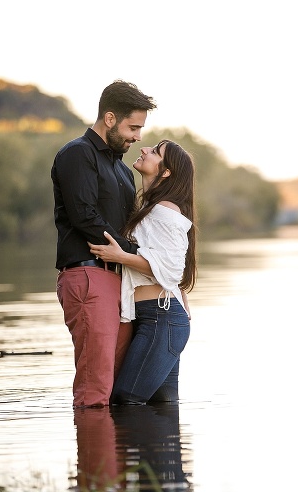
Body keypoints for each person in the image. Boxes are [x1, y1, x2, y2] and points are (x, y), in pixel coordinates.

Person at [52, 80, 156, 407]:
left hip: (121, 279)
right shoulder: (77, 154)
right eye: (133, 127)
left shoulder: (123, 171)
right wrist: (137, 254)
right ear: (110, 118)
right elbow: (84, 216)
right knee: (95, 387)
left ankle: (115, 441)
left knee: (117, 386)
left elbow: (135, 224)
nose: (137, 137)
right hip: (89, 276)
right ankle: (92, 441)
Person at [89, 139, 197, 405]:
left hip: (161, 318)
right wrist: (179, 293)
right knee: (163, 407)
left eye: (155, 152)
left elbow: (171, 269)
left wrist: (120, 257)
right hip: (158, 317)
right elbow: (170, 262)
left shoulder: (165, 211)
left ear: (166, 171)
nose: (144, 150)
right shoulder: (152, 209)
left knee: (126, 401)